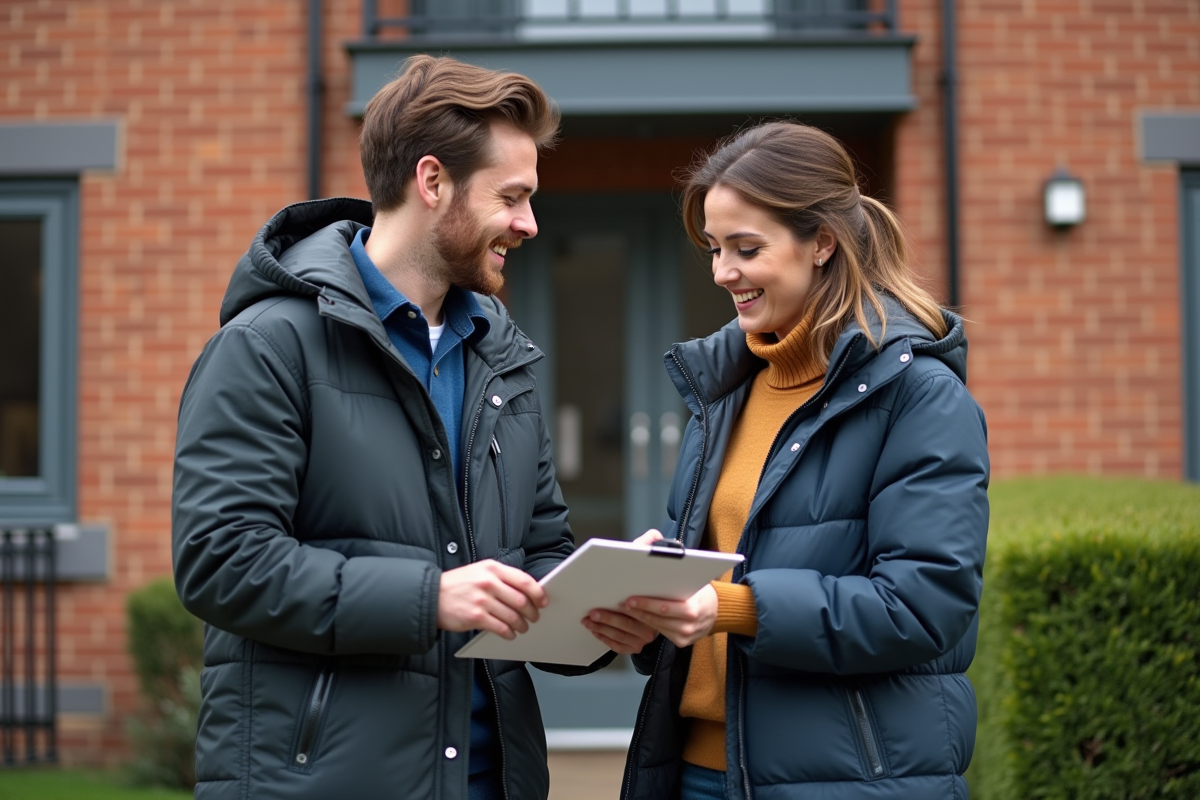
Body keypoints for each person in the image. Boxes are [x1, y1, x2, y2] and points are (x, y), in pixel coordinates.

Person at [171, 55, 629, 800]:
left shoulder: (500, 358)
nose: (529, 224)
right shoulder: (266, 348)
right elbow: (221, 561)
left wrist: (594, 613)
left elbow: (539, 548)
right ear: (432, 181)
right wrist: (431, 598)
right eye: (512, 197)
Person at [583, 121, 990, 800]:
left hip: (844, 780)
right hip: (695, 772)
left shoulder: (919, 397)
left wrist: (732, 608)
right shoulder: (725, 391)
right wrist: (649, 612)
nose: (722, 272)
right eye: (714, 249)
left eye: (746, 248)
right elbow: (710, 595)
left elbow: (923, 607)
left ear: (822, 241)